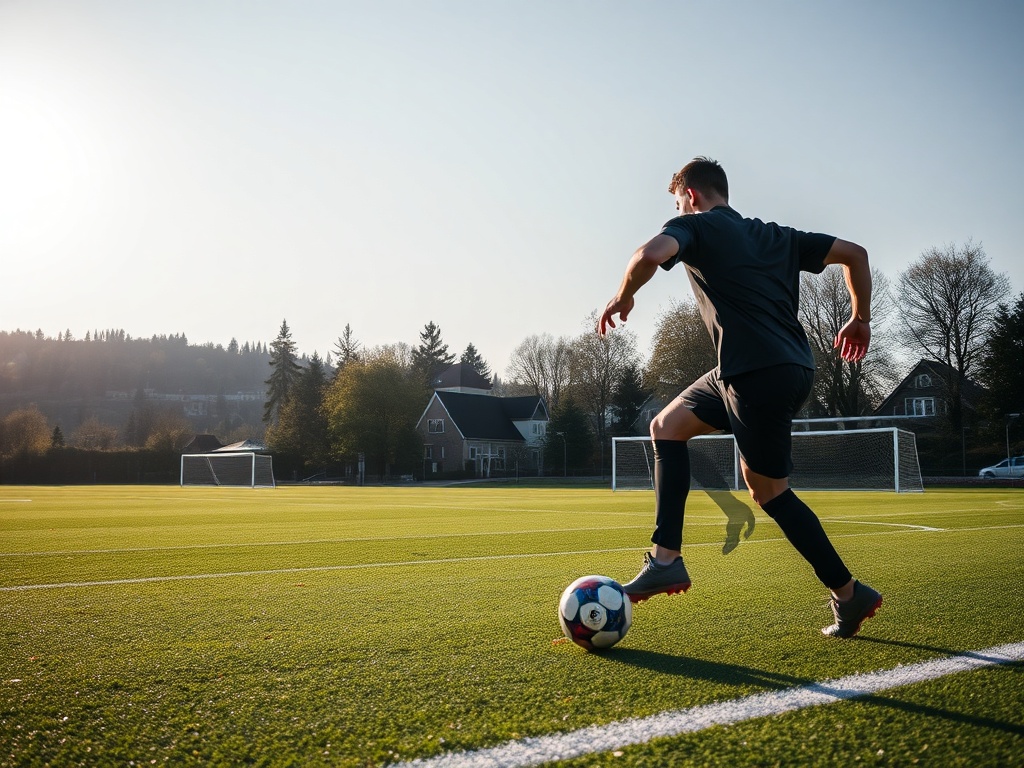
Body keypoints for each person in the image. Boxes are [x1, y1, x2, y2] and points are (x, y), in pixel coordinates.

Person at [598, 157, 881, 639]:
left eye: (676, 200)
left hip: (757, 373)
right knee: (666, 426)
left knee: (769, 492)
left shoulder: (694, 226)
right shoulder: (777, 235)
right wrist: (860, 317)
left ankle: (850, 595)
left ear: (689, 193)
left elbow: (648, 254)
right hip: (778, 369)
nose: (677, 207)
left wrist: (625, 296)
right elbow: (856, 253)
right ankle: (666, 557)